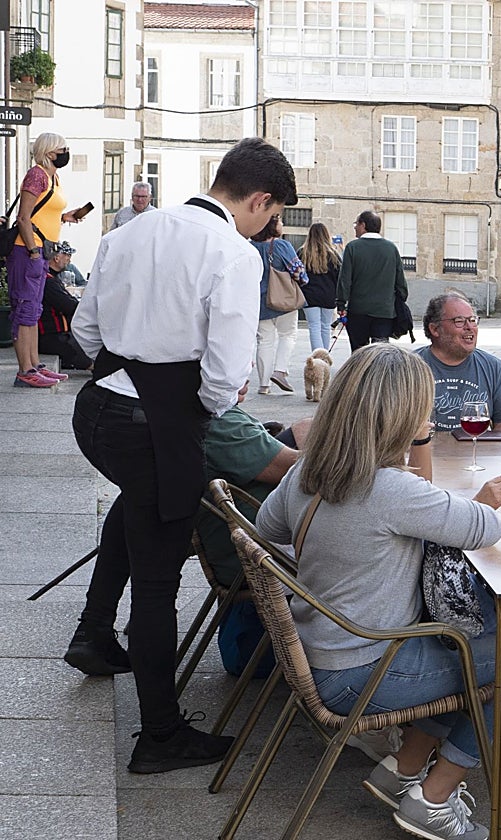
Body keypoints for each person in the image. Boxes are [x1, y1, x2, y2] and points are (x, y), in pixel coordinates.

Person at [67, 136, 297, 774]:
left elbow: (85, 331)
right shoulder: (233, 251)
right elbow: (224, 375)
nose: (267, 228)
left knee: (142, 515)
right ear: (259, 200)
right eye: (272, 215)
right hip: (155, 427)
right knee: (157, 582)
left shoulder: (130, 230)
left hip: (98, 411)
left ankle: (94, 631)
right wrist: (198, 394)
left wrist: (137, 364)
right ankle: (160, 736)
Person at [256, 344, 501, 840]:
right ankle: (432, 800)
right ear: (404, 416)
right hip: (362, 672)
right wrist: (427, 443)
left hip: (321, 648)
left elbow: (268, 528)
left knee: (466, 646)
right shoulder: (390, 489)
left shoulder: (308, 471)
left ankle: (402, 771)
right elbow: (484, 527)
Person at [10, 132, 87, 388]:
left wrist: (65, 217)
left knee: (33, 310)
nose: (65, 153)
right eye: (62, 149)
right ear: (49, 151)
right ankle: (25, 370)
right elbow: (24, 217)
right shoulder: (37, 175)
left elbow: (43, 212)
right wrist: (33, 250)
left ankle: (34, 365)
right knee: (24, 309)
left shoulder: (53, 176)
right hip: (27, 250)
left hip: (42, 252)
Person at [415, 292, 501, 432]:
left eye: (472, 320)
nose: (470, 327)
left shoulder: (492, 366)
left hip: (476, 446)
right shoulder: (409, 368)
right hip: (425, 446)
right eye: (459, 321)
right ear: (434, 329)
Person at [251, 214, 308, 395]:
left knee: (264, 341)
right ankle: (280, 371)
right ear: (273, 225)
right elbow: (298, 272)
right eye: (280, 221)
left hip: (259, 302)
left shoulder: (250, 247)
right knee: (287, 335)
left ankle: (263, 385)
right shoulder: (282, 246)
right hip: (284, 300)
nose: (282, 224)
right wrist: (303, 280)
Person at [336, 210, 407, 351]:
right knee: (380, 353)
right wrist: (398, 301)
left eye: (356, 224)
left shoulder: (352, 247)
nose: (355, 227)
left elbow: (345, 279)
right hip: (384, 311)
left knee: (359, 352)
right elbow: (400, 282)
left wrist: (341, 303)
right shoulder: (391, 248)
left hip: (358, 310)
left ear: (363, 225)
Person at [37, 242, 93, 371]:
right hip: (51, 337)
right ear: (56, 258)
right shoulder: (48, 281)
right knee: (89, 355)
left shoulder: (50, 278)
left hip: (55, 335)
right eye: (67, 255)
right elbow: (69, 306)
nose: (69, 259)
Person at [298, 222, 340, 351]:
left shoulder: (303, 253)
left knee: (314, 327)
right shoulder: (333, 254)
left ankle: (317, 357)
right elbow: (338, 277)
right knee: (326, 327)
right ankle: (324, 357)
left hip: (309, 295)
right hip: (328, 295)